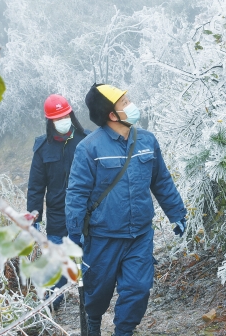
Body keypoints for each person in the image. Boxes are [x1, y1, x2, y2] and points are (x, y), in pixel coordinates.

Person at [66, 84, 187, 336]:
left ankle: (123, 331)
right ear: (111, 114)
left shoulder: (146, 141)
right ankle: (94, 324)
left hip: (139, 236)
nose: (131, 105)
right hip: (102, 237)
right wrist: (74, 235)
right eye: (124, 102)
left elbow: (161, 180)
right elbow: (76, 194)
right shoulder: (89, 149)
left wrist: (177, 213)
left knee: (138, 290)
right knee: (97, 292)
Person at [26, 94, 89, 310]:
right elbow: (36, 186)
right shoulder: (43, 148)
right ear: (50, 121)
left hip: (87, 216)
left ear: (71, 114)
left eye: (65, 115)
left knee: (90, 263)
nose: (63, 120)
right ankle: (50, 307)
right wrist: (34, 216)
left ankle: (90, 307)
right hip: (57, 217)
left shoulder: (86, 141)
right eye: (57, 118)